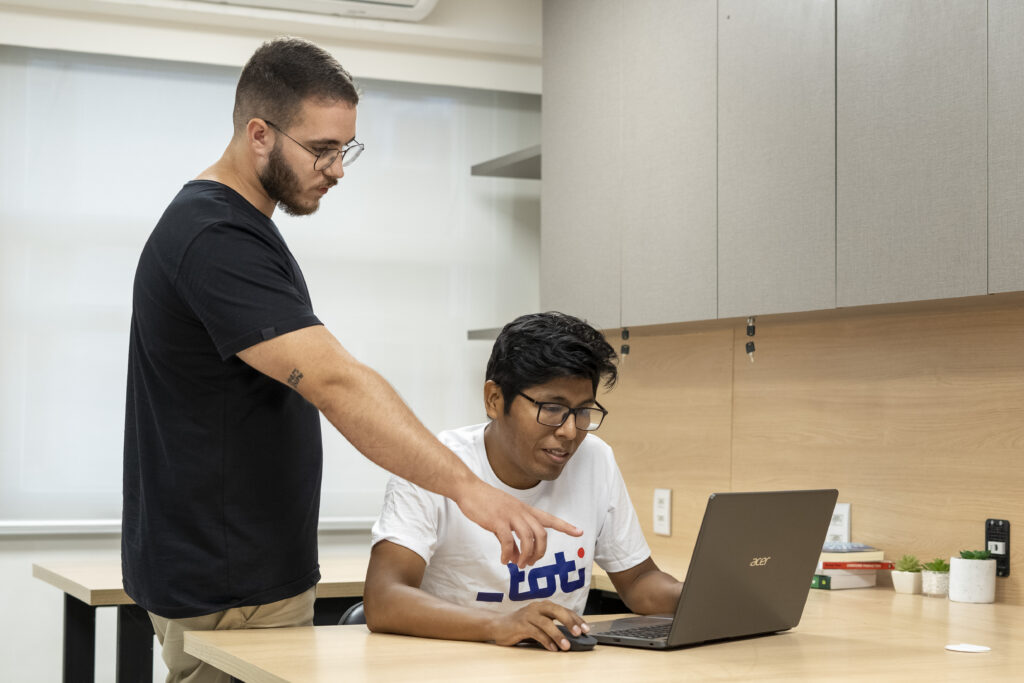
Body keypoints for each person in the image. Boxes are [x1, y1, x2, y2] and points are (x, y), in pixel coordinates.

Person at [122, 37, 578, 682]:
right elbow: (336, 381)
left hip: (238, 573)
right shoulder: (215, 236)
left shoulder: (239, 227)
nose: (338, 169)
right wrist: (471, 490)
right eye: (322, 149)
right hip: (230, 589)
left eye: (346, 148)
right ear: (259, 134)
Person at [364, 312, 683, 652]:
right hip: (455, 666)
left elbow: (638, 581)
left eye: (583, 411)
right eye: (551, 408)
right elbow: (384, 599)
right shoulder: (432, 466)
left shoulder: (595, 458)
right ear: (494, 400)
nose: (570, 431)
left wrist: (713, 593)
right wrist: (499, 625)